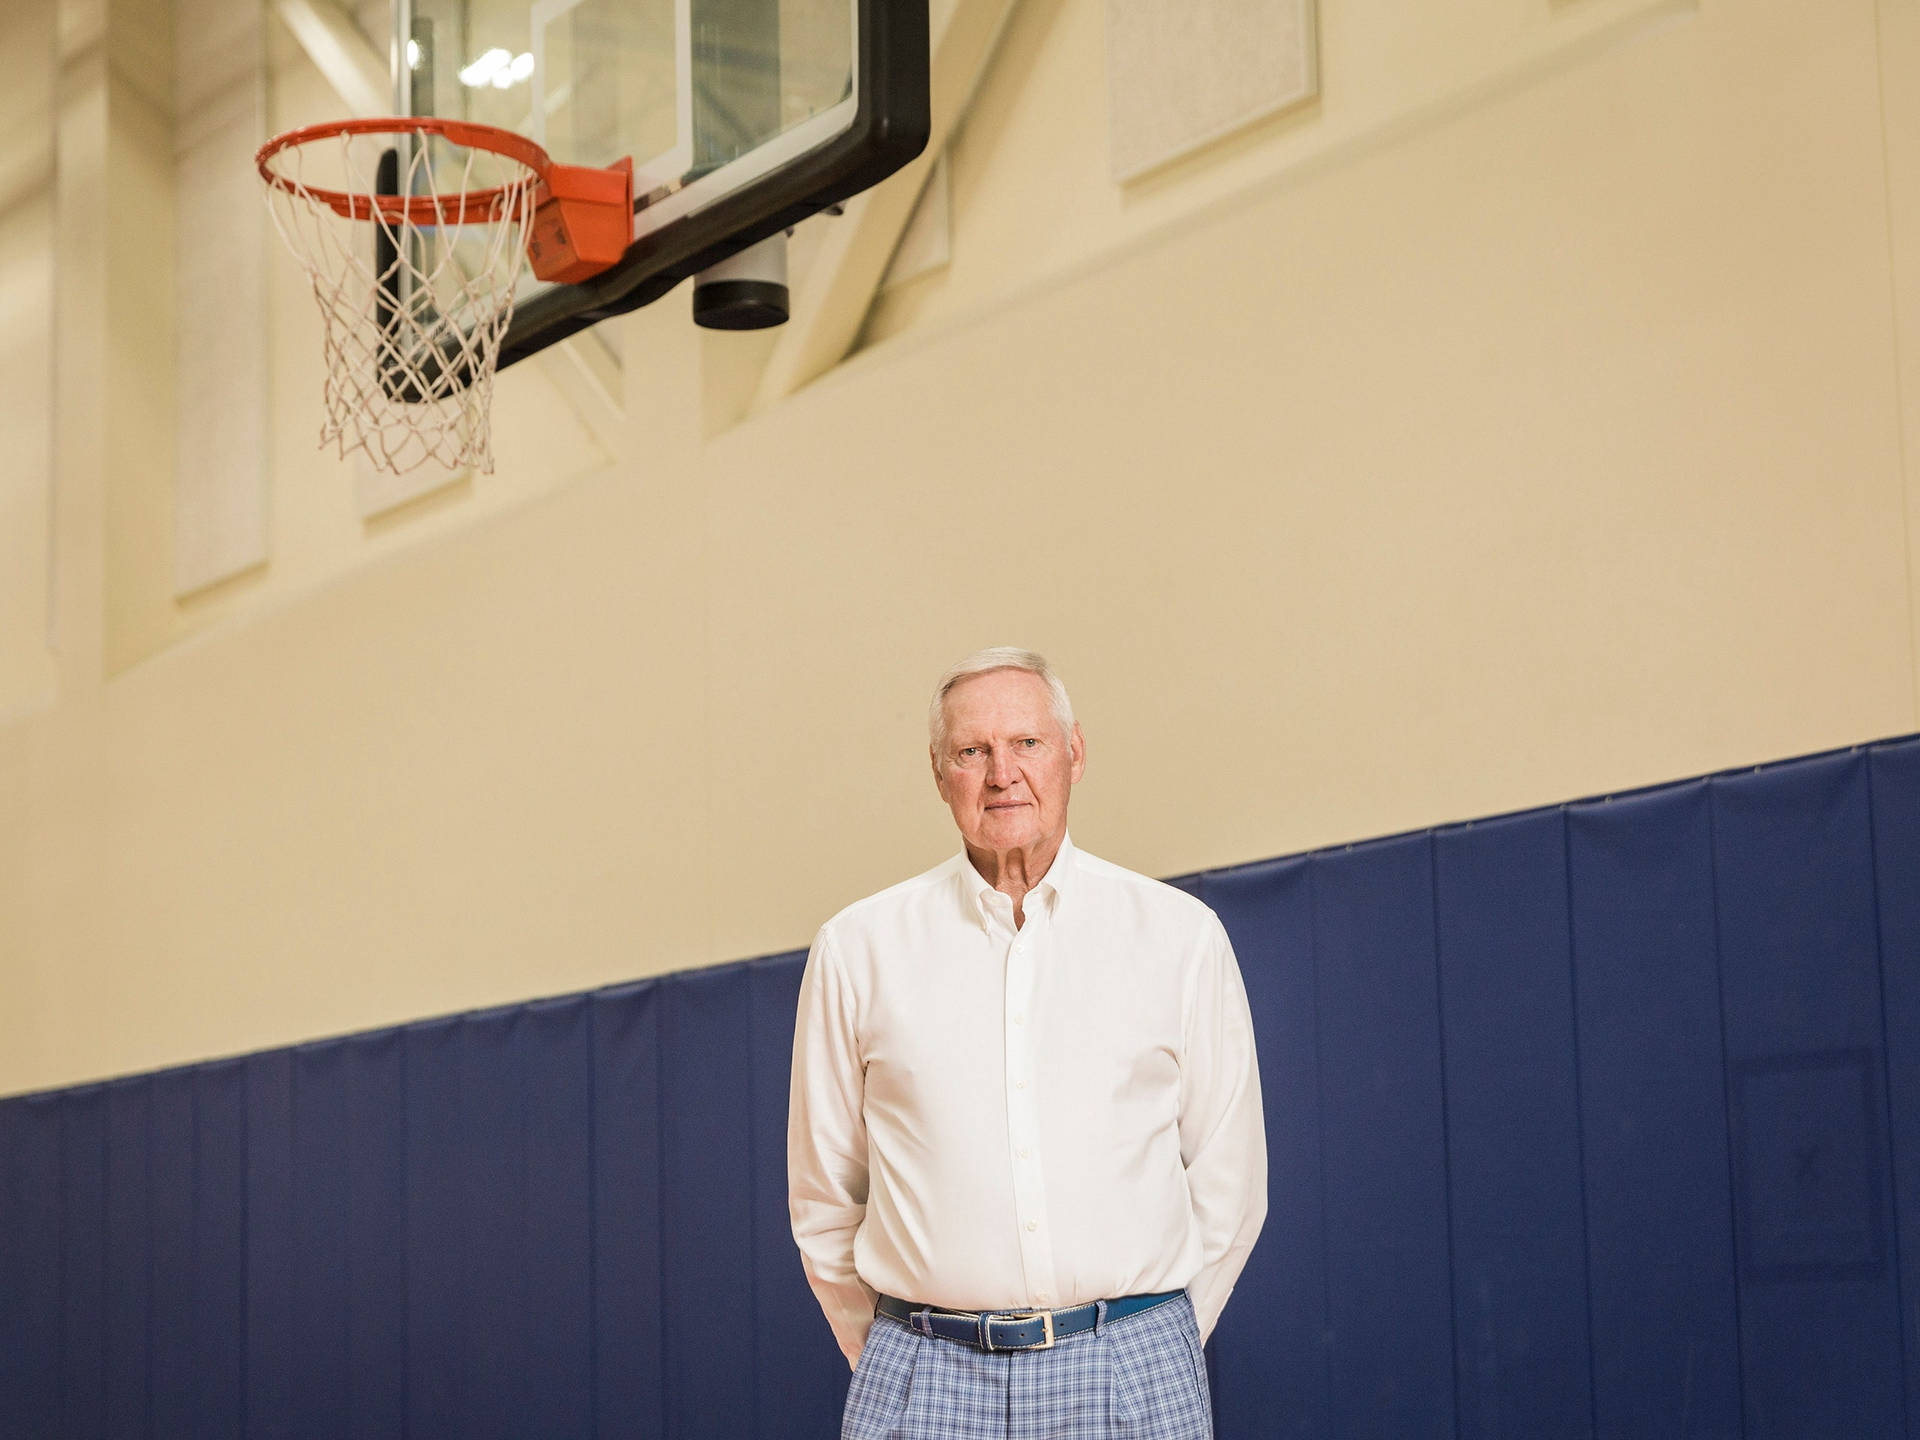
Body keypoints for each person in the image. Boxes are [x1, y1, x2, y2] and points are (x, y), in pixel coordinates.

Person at [787, 647, 1267, 1440]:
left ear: (1075, 752)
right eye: (972, 751)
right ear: (940, 774)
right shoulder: (857, 949)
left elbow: (1230, 1182)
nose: (1001, 773)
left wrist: (1148, 1344)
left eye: (1028, 744)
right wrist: (896, 1355)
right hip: (922, 1373)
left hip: (1131, 1367)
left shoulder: (1180, 939)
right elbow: (824, 1200)